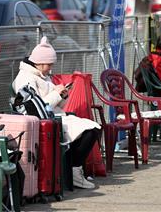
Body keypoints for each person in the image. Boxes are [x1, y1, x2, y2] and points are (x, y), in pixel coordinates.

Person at [12, 36, 101, 189]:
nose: (51, 68)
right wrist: (57, 94)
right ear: (40, 62)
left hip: (54, 117)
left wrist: (62, 95)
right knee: (90, 131)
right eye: (49, 64)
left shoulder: (42, 75)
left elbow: (50, 104)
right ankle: (74, 171)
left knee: (93, 129)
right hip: (44, 121)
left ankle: (72, 169)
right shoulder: (25, 79)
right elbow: (36, 108)